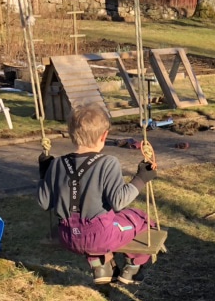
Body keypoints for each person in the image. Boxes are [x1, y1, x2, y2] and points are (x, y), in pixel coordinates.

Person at [38, 102, 157, 285]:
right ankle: (133, 268)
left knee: (107, 221)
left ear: (71, 134)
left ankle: (102, 266)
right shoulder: (107, 163)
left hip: (67, 236)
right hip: (101, 236)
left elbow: (44, 203)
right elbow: (119, 201)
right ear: (104, 135)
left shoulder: (56, 164)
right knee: (140, 219)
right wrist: (141, 178)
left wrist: (44, 175)